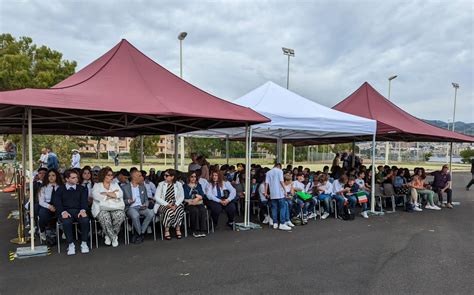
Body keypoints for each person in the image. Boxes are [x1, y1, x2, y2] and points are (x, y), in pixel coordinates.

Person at [53, 169, 90, 255]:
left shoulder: (82, 189)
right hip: (65, 211)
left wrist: (83, 210)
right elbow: (57, 203)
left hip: (79, 211)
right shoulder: (60, 189)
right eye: (73, 178)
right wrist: (63, 212)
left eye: (76, 177)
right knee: (66, 222)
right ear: (67, 179)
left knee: (85, 220)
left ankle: (84, 243)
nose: (76, 179)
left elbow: (84, 202)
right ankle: (70, 244)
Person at [91, 167, 126, 247]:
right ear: (103, 176)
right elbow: (96, 196)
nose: (112, 177)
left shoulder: (115, 184)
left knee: (120, 215)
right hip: (101, 208)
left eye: (112, 175)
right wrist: (112, 194)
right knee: (104, 217)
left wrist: (106, 193)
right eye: (109, 175)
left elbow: (120, 194)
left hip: (115, 207)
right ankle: (113, 237)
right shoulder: (97, 185)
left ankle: (108, 236)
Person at [122, 170, 154, 244]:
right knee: (135, 215)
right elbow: (121, 201)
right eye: (140, 176)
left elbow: (146, 199)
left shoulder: (142, 187)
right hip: (130, 208)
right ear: (134, 177)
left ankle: (139, 233)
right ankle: (140, 234)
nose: (142, 177)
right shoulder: (124, 188)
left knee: (151, 214)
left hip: (141, 207)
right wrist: (129, 201)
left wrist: (146, 204)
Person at [154, 169, 185, 240]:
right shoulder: (161, 184)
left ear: (172, 177)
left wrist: (176, 205)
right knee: (169, 211)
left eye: (167, 175)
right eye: (164, 175)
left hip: (175, 203)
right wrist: (167, 204)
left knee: (180, 210)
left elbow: (182, 197)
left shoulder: (178, 184)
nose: (164, 177)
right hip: (163, 204)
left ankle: (178, 229)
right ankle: (167, 230)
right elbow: (157, 197)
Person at [264, 163, 291, 231]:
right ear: (279, 167)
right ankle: (282, 223)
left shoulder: (268, 172)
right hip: (279, 193)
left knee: (274, 208)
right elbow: (281, 181)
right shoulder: (280, 171)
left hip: (272, 193)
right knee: (283, 207)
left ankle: (275, 223)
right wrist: (285, 190)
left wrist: (266, 192)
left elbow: (266, 183)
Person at [37, 169, 62, 241]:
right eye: (49, 176)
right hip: (47, 205)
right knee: (42, 214)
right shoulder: (43, 187)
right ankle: (42, 231)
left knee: (65, 214)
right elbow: (41, 202)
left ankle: (64, 230)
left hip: (59, 205)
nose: (51, 177)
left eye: (53, 175)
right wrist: (49, 206)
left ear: (57, 176)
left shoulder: (61, 187)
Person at [183, 171, 208, 238]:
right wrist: (196, 198)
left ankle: (202, 230)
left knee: (202, 210)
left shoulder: (199, 185)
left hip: (198, 202)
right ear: (188, 177)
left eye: (195, 177)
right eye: (192, 177)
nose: (193, 178)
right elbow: (185, 196)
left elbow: (202, 194)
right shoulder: (185, 186)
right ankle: (195, 230)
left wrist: (197, 198)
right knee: (195, 211)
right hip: (189, 203)